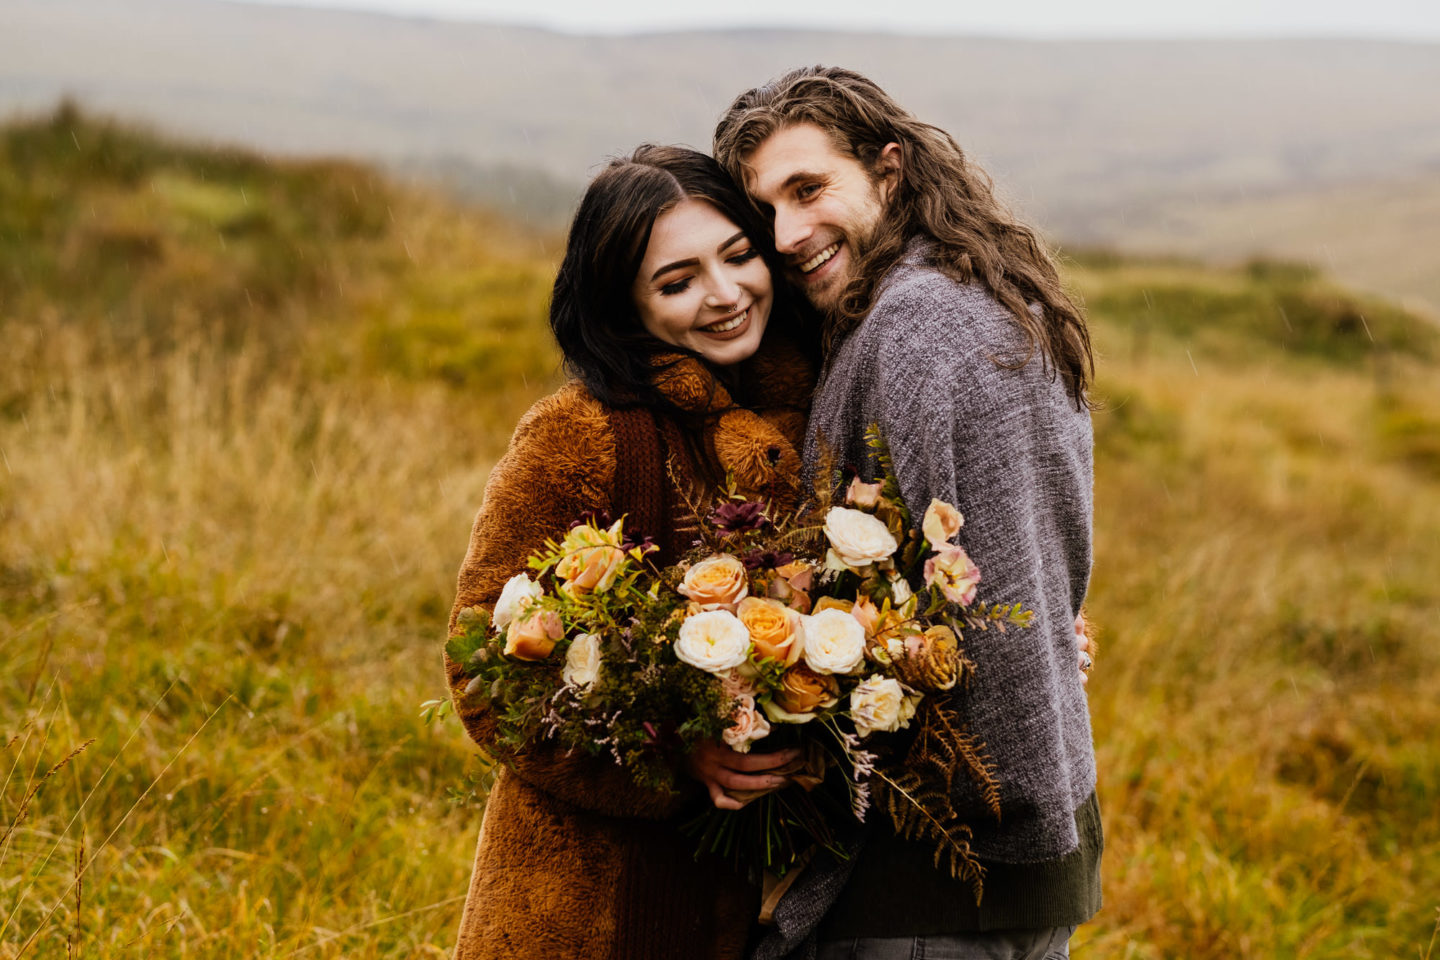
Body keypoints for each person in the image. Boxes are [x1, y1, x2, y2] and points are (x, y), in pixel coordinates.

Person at [713, 67, 1102, 959]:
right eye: (765, 209)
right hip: (979, 873)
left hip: (944, 881)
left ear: (890, 171)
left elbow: (988, 629)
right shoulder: (940, 300)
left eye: (809, 189)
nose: (787, 233)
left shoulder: (927, 326)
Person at [443, 144, 818, 960]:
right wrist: (672, 756)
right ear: (626, 305)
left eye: (738, 255)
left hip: (739, 902)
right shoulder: (577, 434)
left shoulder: (803, 422)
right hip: (577, 906)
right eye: (676, 282)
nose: (723, 296)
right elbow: (480, 667)